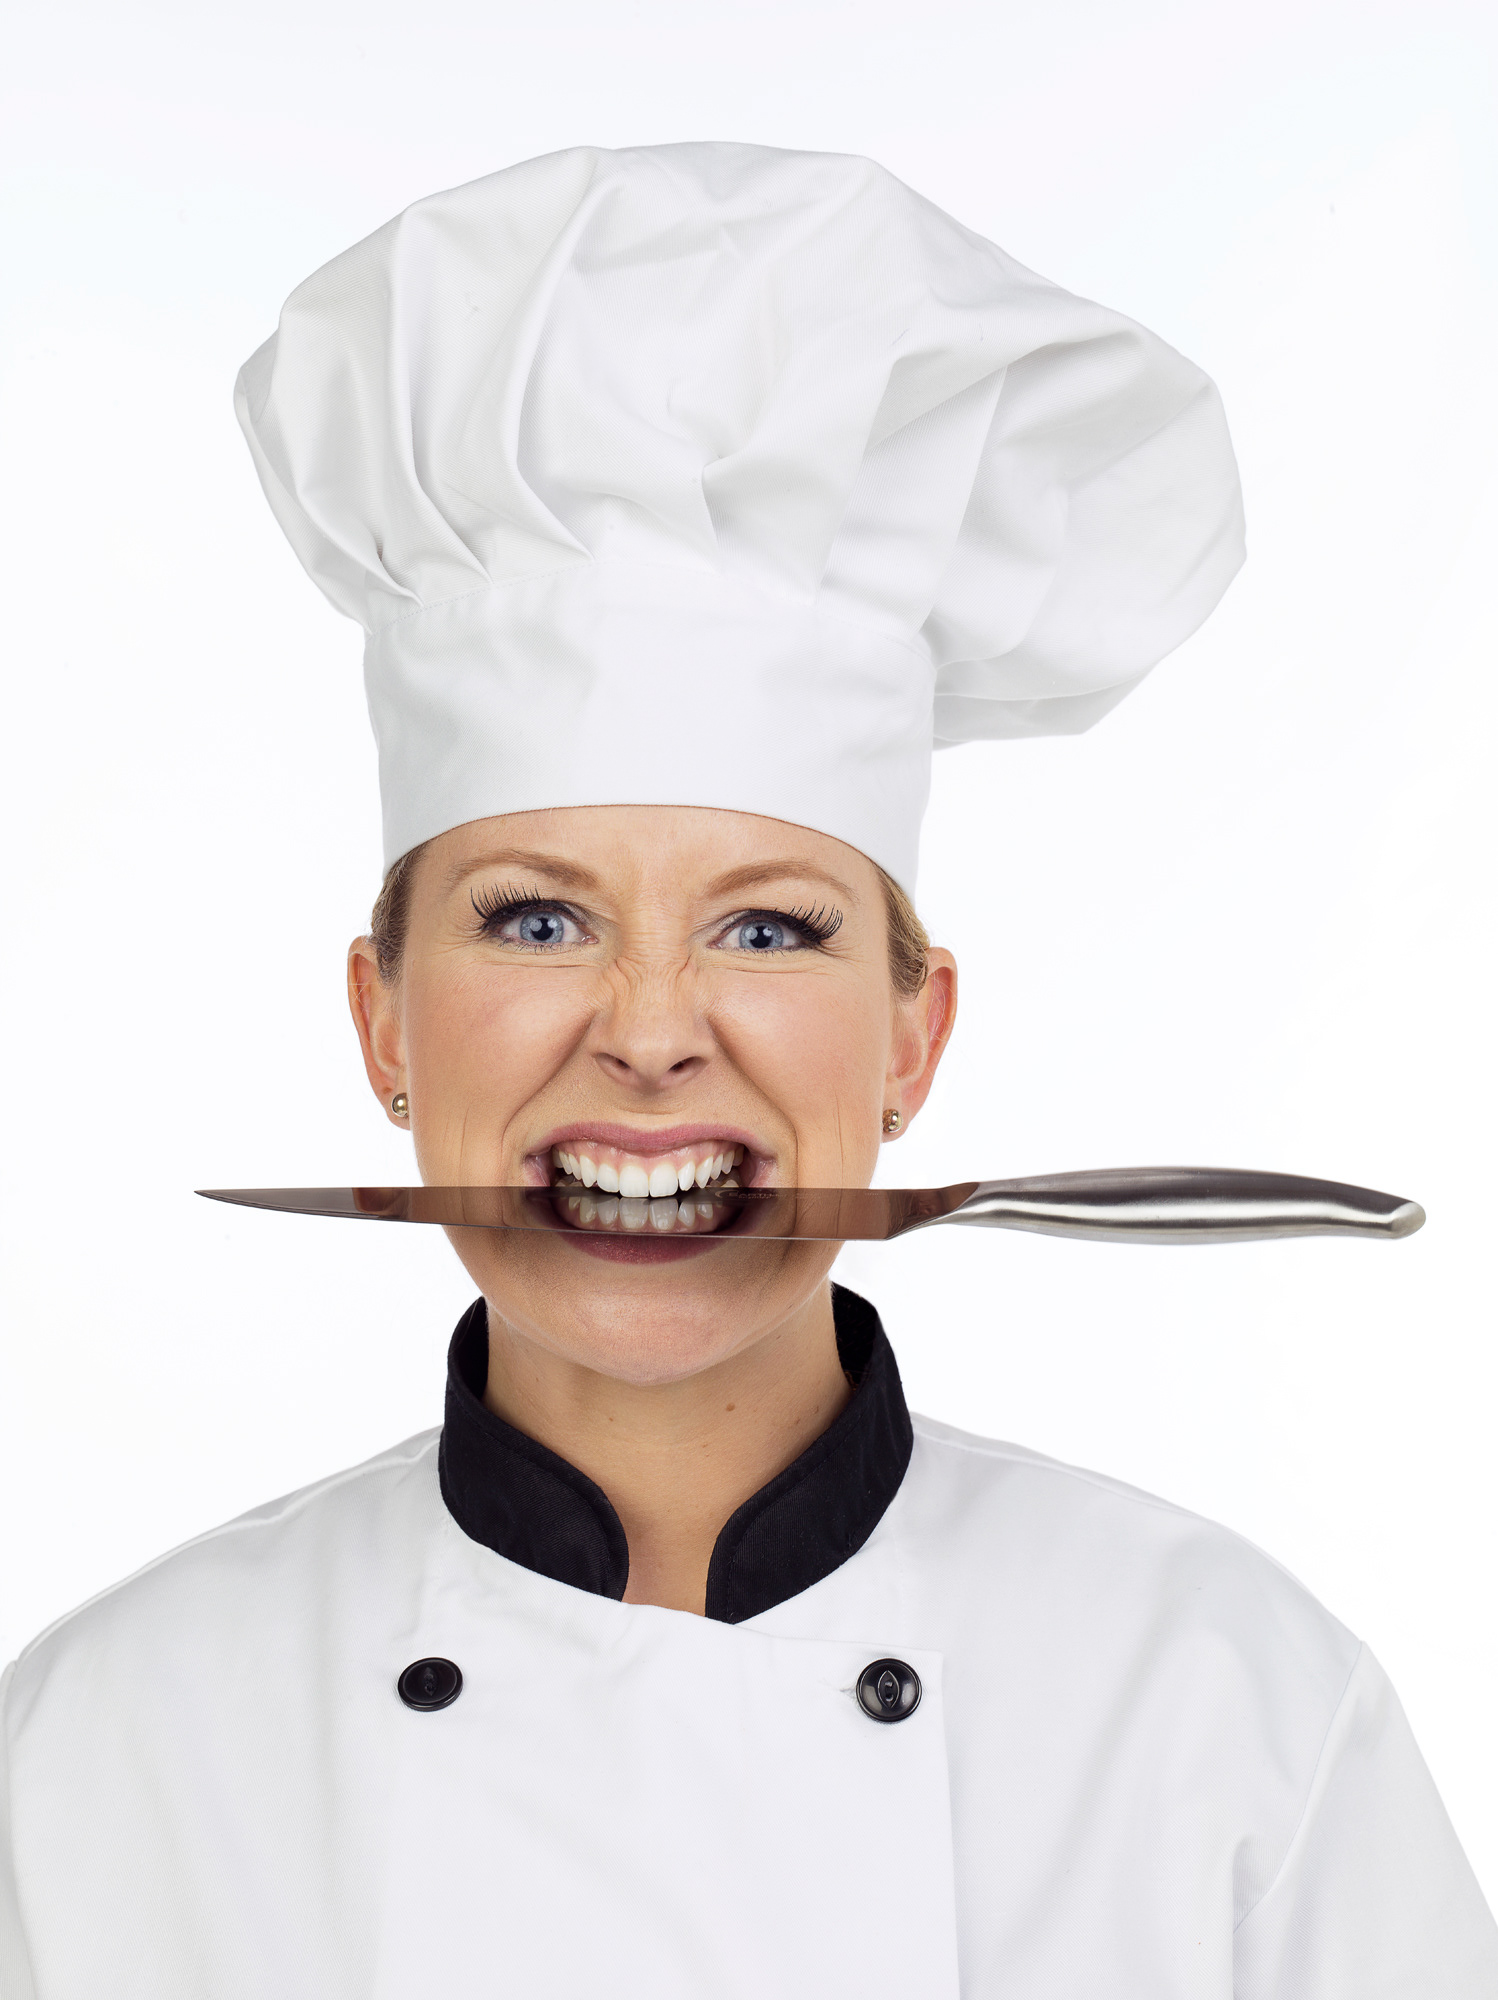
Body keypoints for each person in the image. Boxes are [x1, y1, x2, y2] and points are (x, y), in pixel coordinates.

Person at [1, 143, 1493, 1998]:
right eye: (535, 919)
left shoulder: (1232, 1718)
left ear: (912, 1037)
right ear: (384, 1022)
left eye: (770, 931)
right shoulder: (102, 1754)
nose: (647, 1029)